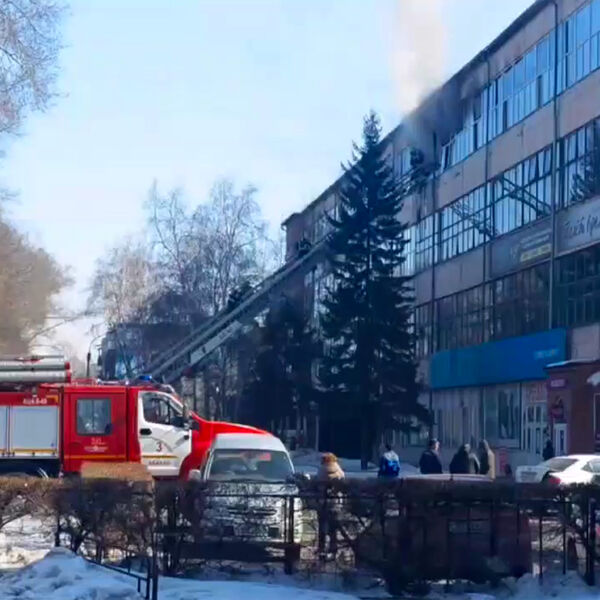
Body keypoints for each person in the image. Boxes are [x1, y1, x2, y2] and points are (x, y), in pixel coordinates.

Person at [316, 453, 344, 558]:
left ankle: (321, 548)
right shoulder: (339, 470)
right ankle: (333, 549)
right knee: (334, 528)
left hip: (323, 503)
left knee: (322, 527)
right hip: (336, 503)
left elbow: (317, 484)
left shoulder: (321, 470)